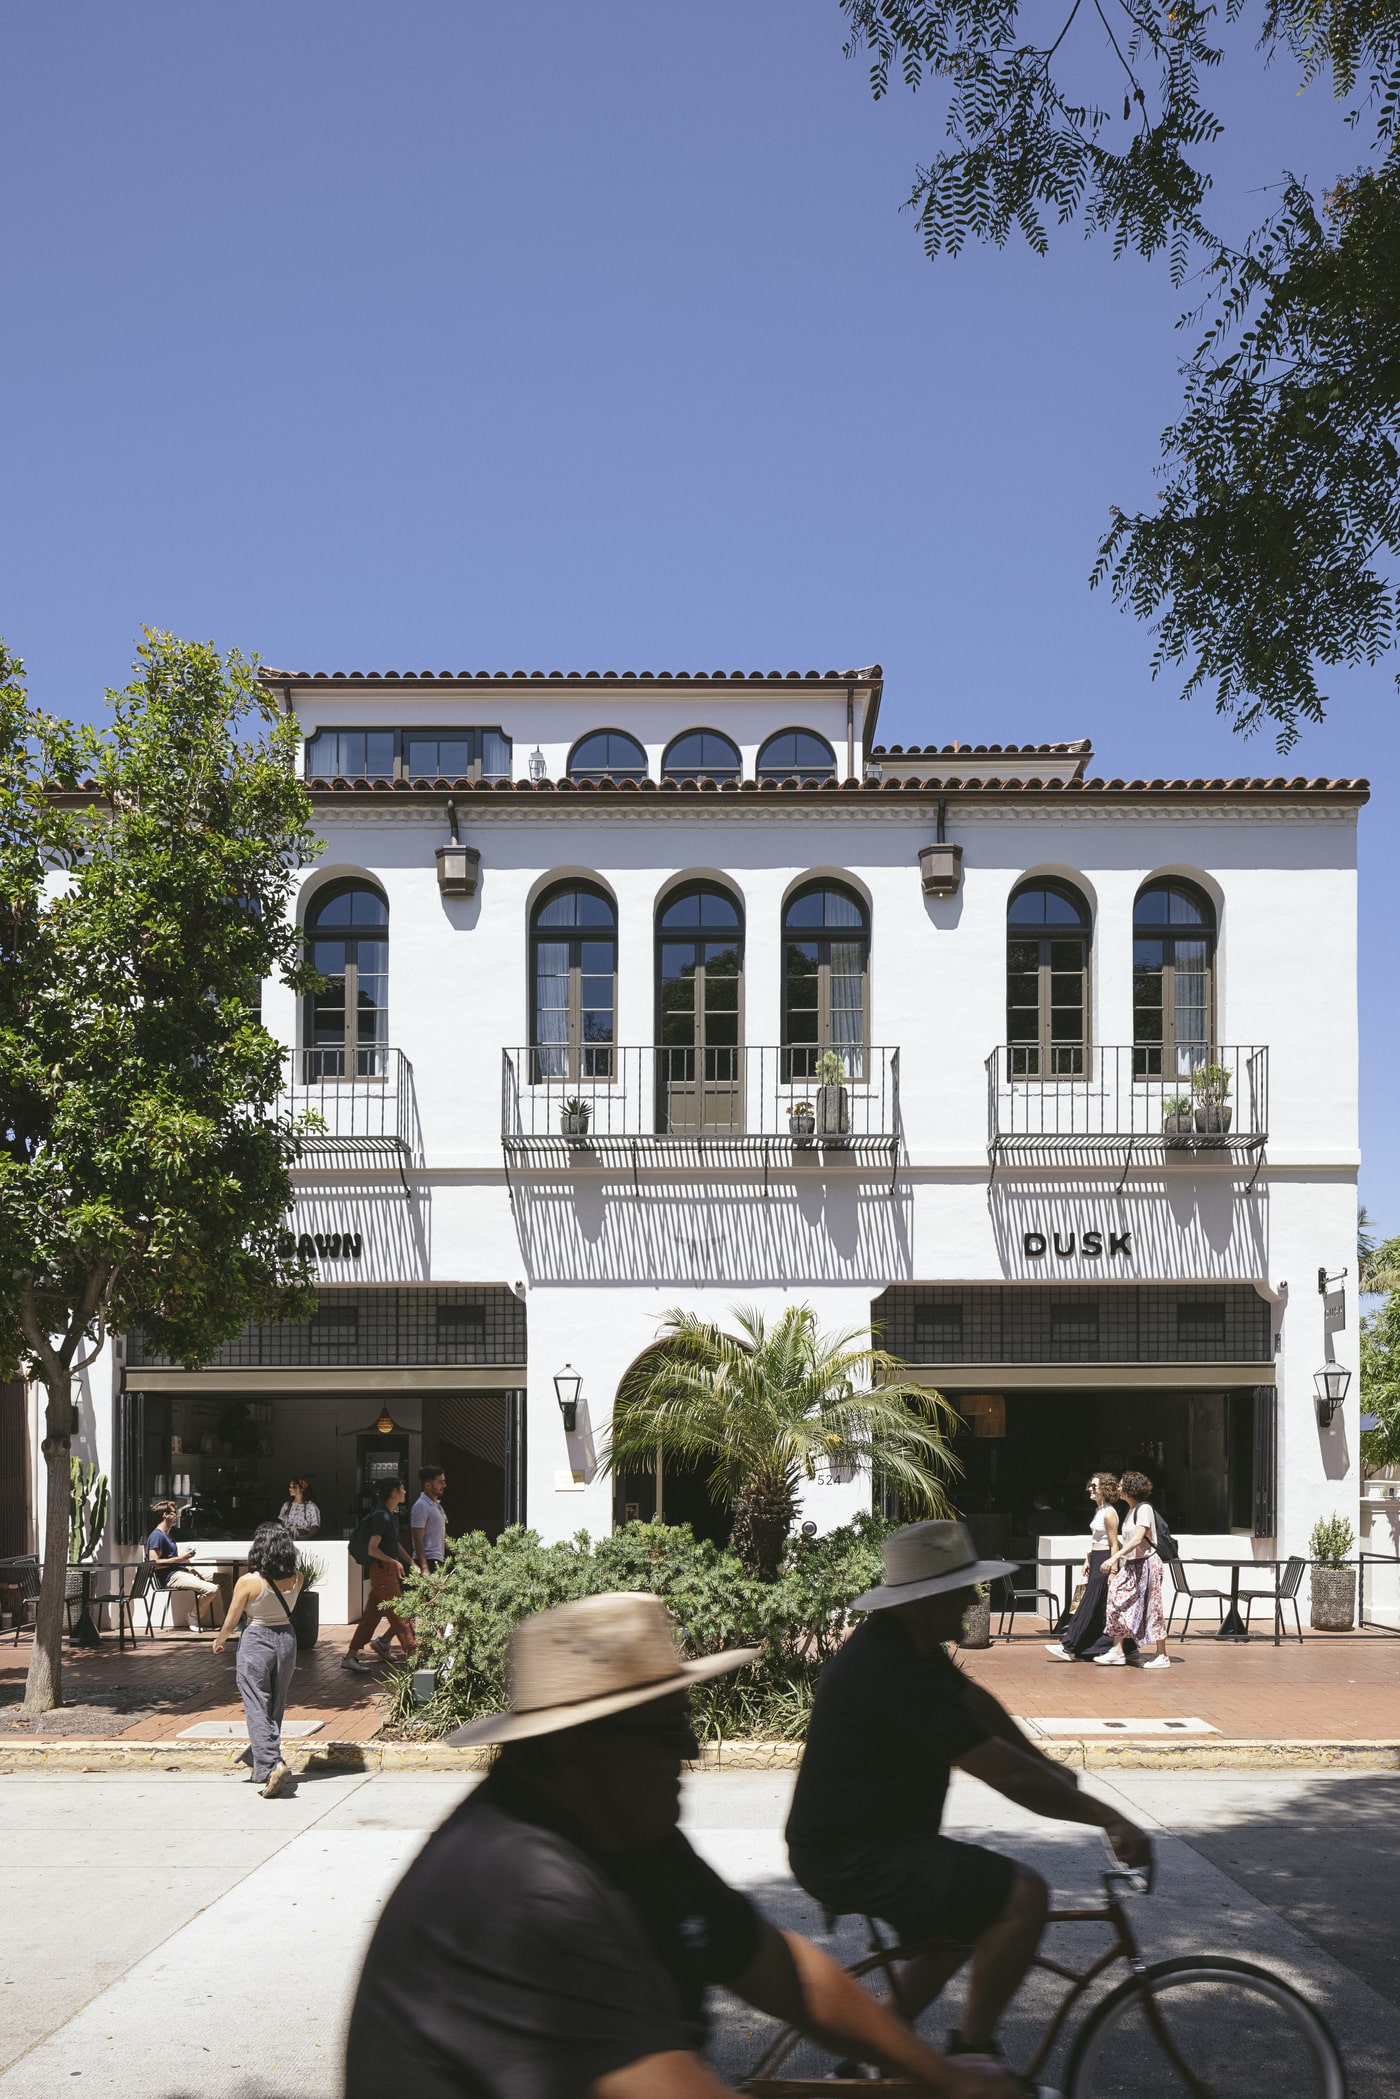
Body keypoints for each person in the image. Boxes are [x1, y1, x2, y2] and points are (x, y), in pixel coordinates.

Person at [345, 1590, 1021, 2099]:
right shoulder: (525, 1886)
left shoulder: (623, 1832)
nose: (692, 1751)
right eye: (665, 1732)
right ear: (579, 1749)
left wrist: (936, 2069)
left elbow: (776, 1964)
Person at [785, 1520, 1151, 2068]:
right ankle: (974, 2055)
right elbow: (1005, 1775)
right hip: (851, 1852)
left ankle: (867, 2057)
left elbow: (978, 1705)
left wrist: (1045, 1762)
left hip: (867, 1840)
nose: (972, 1601)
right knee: (1021, 1895)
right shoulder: (893, 1671)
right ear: (924, 1599)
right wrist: (1110, 1819)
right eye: (961, 1590)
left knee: (951, 1931)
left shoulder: (908, 1645)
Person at [212, 1520, 303, 1799]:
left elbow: (232, 1619)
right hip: (287, 1640)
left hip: (256, 1640)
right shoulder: (298, 1577)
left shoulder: (249, 1581)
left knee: (255, 1702)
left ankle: (271, 1765)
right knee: (275, 1702)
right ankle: (258, 1755)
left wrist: (220, 1640)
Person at [342, 1479, 417, 1673]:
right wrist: (395, 1562)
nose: (405, 1491)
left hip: (386, 1571)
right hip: (383, 1571)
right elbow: (372, 1549)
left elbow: (394, 1545)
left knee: (371, 1617)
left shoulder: (390, 1515)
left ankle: (350, 1657)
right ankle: (415, 1657)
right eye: (402, 1488)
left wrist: (410, 1562)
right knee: (400, 1615)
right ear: (394, 1492)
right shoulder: (381, 1517)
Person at [1098, 1471, 1170, 1669]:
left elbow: (1138, 1538)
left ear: (1131, 1489)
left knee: (1152, 1606)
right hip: (1132, 1565)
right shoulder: (1130, 1510)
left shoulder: (1144, 1509)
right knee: (1116, 1597)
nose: (1118, 1487)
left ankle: (1162, 1655)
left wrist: (1115, 1556)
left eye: (1122, 1484)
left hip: (1147, 1563)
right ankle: (1118, 1650)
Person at [1046, 1473, 1120, 1662]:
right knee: (1097, 1606)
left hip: (1104, 1559)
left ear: (1105, 1489)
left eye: (1094, 1486)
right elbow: (1096, 1539)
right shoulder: (1100, 1510)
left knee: (1088, 1603)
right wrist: (1088, 1559)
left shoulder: (1109, 1512)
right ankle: (1094, 1647)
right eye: (1090, 1486)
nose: (1090, 1489)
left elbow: (1114, 1544)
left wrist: (1113, 1569)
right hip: (1097, 1558)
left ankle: (1069, 1645)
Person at [145, 1502, 221, 1632]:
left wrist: (187, 1566)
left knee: (223, 1578)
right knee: (212, 1589)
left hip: (180, 1571)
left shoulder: (168, 1534)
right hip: (170, 1577)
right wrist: (181, 1559)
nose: (177, 1515)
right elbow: (154, 1564)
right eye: (174, 1513)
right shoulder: (156, 1536)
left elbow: (172, 1558)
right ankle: (193, 1616)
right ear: (166, 1515)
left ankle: (234, 1618)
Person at [410, 1465, 448, 1574]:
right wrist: (424, 1567)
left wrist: (461, 1551)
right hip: (428, 1559)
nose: (444, 1485)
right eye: (440, 1482)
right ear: (428, 1485)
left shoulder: (436, 1505)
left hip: (438, 1558)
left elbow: (442, 1535)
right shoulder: (421, 1505)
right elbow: (417, 1537)